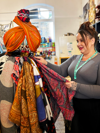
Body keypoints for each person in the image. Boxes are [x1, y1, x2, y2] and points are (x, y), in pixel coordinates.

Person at [35, 21, 100, 133]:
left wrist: (76, 86)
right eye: (77, 41)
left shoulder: (98, 60)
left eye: (82, 41)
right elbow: (61, 71)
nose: (78, 44)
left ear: (92, 40)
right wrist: (45, 63)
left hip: (93, 109)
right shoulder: (75, 58)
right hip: (73, 107)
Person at [0, 9, 56, 133]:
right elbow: (33, 47)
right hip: (28, 65)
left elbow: (9, 46)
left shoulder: (12, 33)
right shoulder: (33, 33)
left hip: (15, 64)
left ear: (17, 18)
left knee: (8, 96)